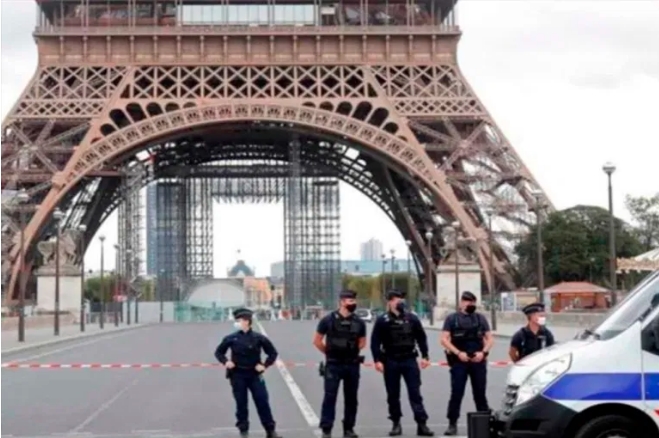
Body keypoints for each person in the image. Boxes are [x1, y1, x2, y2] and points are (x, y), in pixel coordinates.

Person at [371, 290, 435, 437]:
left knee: (415, 393)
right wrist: (377, 360)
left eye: (401, 299)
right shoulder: (382, 320)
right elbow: (375, 342)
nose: (399, 302)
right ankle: (396, 423)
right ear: (390, 302)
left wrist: (425, 356)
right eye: (396, 299)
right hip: (391, 360)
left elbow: (421, 338)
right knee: (393, 395)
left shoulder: (412, 318)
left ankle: (422, 424)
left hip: (409, 360)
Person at [214, 308, 281, 438]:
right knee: (241, 404)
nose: (237, 323)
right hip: (238, 375)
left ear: (247, 321)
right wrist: (226, 362)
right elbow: (218, 352)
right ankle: (243, 431)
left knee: (262, 401)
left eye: (239, 320)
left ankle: (270, 431)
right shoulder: (231, 338)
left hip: (255, 375)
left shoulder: (259, 338)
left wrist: (264, 365)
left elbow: (273, 353)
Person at [313, 290, 367, 438]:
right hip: (334, 364)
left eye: (354, 302)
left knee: (351, 398)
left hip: (351, 364)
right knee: (330, 397)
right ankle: (327, 429)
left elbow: (362, 342)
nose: (353, 304)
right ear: (342, 302)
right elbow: (317, 341)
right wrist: (329, 352)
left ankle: (348, 428)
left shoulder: (359, 322)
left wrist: (349, 350)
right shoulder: (328, 320)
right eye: (350, 302)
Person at [440, 291, 493, 436]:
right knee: (456, 393)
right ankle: (452, 423)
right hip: (459, 361)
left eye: (473, 302)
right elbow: (444, 339)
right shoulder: (452, 319)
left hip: (478, 360)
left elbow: (490, 339)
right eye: (468, 301)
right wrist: (458, 353)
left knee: (480, 393)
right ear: (461, 302)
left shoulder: (480, 318)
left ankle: (485, 424)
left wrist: (483, 353)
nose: (470, 304)